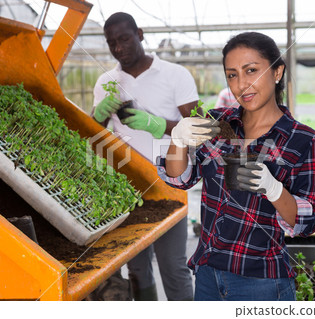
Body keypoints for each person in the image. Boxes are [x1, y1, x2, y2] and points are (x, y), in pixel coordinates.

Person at [157, 32, 315, 301]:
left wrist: (273, 189)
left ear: (277, 71)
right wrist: (178, 140)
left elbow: (308, 221)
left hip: (262, 282)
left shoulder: (302, 139)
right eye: (232, 75)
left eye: (251, 71)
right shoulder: (217, 123)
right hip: (208, 274)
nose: (242, 84)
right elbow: (180, 179)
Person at [91, 12, 197, 301]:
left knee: (173, 267)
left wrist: (159, 125)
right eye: (111, 42)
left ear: (140, 33)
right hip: (126, 186)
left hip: (169, 183)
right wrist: (97, 116)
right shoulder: (106, 82)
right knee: (136, 268)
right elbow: (92, 134)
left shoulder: (175, 75)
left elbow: (201, 128)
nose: (118, 48)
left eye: (124, 38)